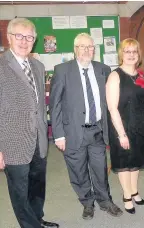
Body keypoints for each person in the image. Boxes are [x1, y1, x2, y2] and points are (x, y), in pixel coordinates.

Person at [49, 33, 122, 220]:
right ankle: (87, 203)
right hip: (72, 132)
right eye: (83, 46)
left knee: (100, 170)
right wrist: (58, 135)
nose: (87, 50)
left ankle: (105, 201)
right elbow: (54, 105)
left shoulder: (103, 69)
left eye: (90, 47)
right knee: (78, 172)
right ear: (75, 49)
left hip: (97, 131)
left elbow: (112, 100)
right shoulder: (62, 70)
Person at [0, 18, 59, 228]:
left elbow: (39, 106)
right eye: (19, 36)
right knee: (19, 191)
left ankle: (37, 219)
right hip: (12, 143)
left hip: (38, 139)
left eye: (29, 37)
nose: (24, 41)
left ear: (34, 40)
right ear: (9, 38)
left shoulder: (38, 66)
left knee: (37, 186)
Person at [106, 38, 144, 214]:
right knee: (125, 163)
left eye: (134, 51)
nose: (131, 55)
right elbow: (112, 108)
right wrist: (121, 134)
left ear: (138, 54)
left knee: (137, 161)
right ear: (121, 54)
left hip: (140, 127)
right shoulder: (115, 76)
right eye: (127, 51)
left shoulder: (143, 75)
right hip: (122, 127)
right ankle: (126, 196)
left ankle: (135, 191)